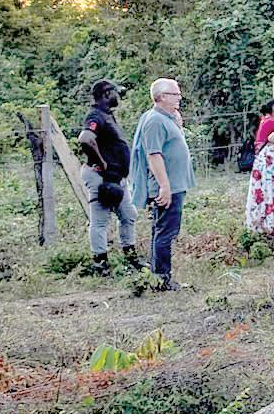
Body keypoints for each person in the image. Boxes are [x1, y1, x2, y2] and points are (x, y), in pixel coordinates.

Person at [128, 78, 194, 292]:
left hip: (175, 184)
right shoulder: (155, 121)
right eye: (175, 94)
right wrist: (164, 186)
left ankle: (158, 276)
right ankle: (161, 279)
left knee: (164, 230)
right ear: (162, 97)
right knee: (165, 232)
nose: (180, 97)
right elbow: (154, 155)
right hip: (167, 187)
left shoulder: (166, 118)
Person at [75, 79, 139, 275]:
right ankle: (100, 263)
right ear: (106, 94)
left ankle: (131, 258)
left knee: (128, 215)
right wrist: (101, 162)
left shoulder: (107, 115)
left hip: (116, 176)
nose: (117, 96)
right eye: (114, 92)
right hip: (101, 176)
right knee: (100, 220)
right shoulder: (95, 115)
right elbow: (85, 138)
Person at [245, 97, 274, 236]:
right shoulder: (272, 122)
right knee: (269, 190)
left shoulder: (267, 120)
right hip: (268, 160)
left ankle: (262, 223)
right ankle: (268, 225)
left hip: (265, 159)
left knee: (264, 190)